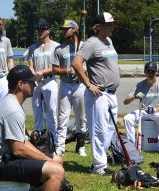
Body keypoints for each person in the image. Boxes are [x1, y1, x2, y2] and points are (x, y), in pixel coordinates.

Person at [0, 65, 65, 191]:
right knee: (56, 171)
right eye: (31, 81)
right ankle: (39, 183)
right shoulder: (13, 109)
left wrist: (46, 157)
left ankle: (37, 184)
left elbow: (22, 141)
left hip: (4, 159)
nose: (35, 84)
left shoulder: (10, 102)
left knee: (58, 160)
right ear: (21, 84)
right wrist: (48, 160)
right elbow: (18, 149)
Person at [71, 12, 120, 175]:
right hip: (98, 93)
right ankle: (99, 166)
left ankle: (100, 161)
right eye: (109, 25)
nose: (112, 27)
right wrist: (88, 84)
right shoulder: (91, 43)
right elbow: (76, 63)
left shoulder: (110, 41)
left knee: (110, 129)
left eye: (113, 24)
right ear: (98, 27)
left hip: (112, 94)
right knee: (99, 130)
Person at [51, 20, 87, 157]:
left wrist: (83, 70)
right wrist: (66, 71)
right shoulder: (59, 49)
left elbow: (90, 65)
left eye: (67, 28)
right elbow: (54, 69)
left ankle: (81, 145)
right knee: (62, 116)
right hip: (65, 84)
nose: (64, 31)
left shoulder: (84, 47)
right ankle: (60, 146)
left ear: (75, 30)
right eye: (63, 28)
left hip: (80, 85)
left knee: (81, 117)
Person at [122, 62, 159, 154]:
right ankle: (132, 147)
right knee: (127, 119)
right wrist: (135, 96)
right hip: (143, 111)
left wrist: (155, 109)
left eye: (152, 71)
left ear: (156, 72)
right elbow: (125, 102)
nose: (150, 74)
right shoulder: (140, 85)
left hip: (157, 111)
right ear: (145, 72)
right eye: (148, 71)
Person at [26, 20, 61, 154]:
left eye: (41, 30)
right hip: (36, 82)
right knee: (37, 114)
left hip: (49, 81)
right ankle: (39, 142)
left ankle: (54, 142)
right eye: (38, 30)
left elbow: (56, 67)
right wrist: (33, 72)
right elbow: (30, 64)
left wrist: (43, 72)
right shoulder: (33, 47)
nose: (39, 32)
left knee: (51, 113)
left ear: (48, 30)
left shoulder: (56, 46)